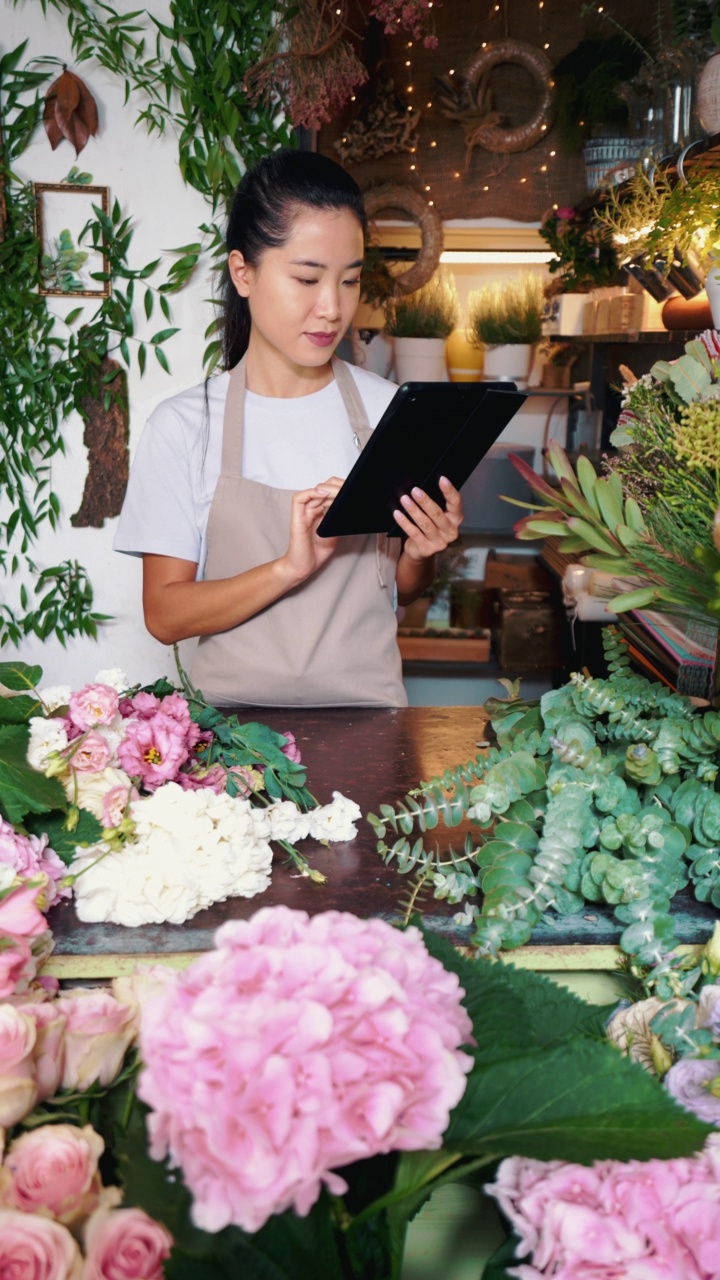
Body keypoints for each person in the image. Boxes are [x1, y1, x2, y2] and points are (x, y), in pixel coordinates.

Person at [114, 149, 463, 707]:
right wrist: (288, 568)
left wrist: (423, 552)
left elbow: (403, 588)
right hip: (229, 752)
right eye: (307, 278)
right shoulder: (185, 425)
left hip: (370, 727)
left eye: (349, 282)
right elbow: (165, 614)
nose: (331, 308)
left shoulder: (386, 412)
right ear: (243, 272)